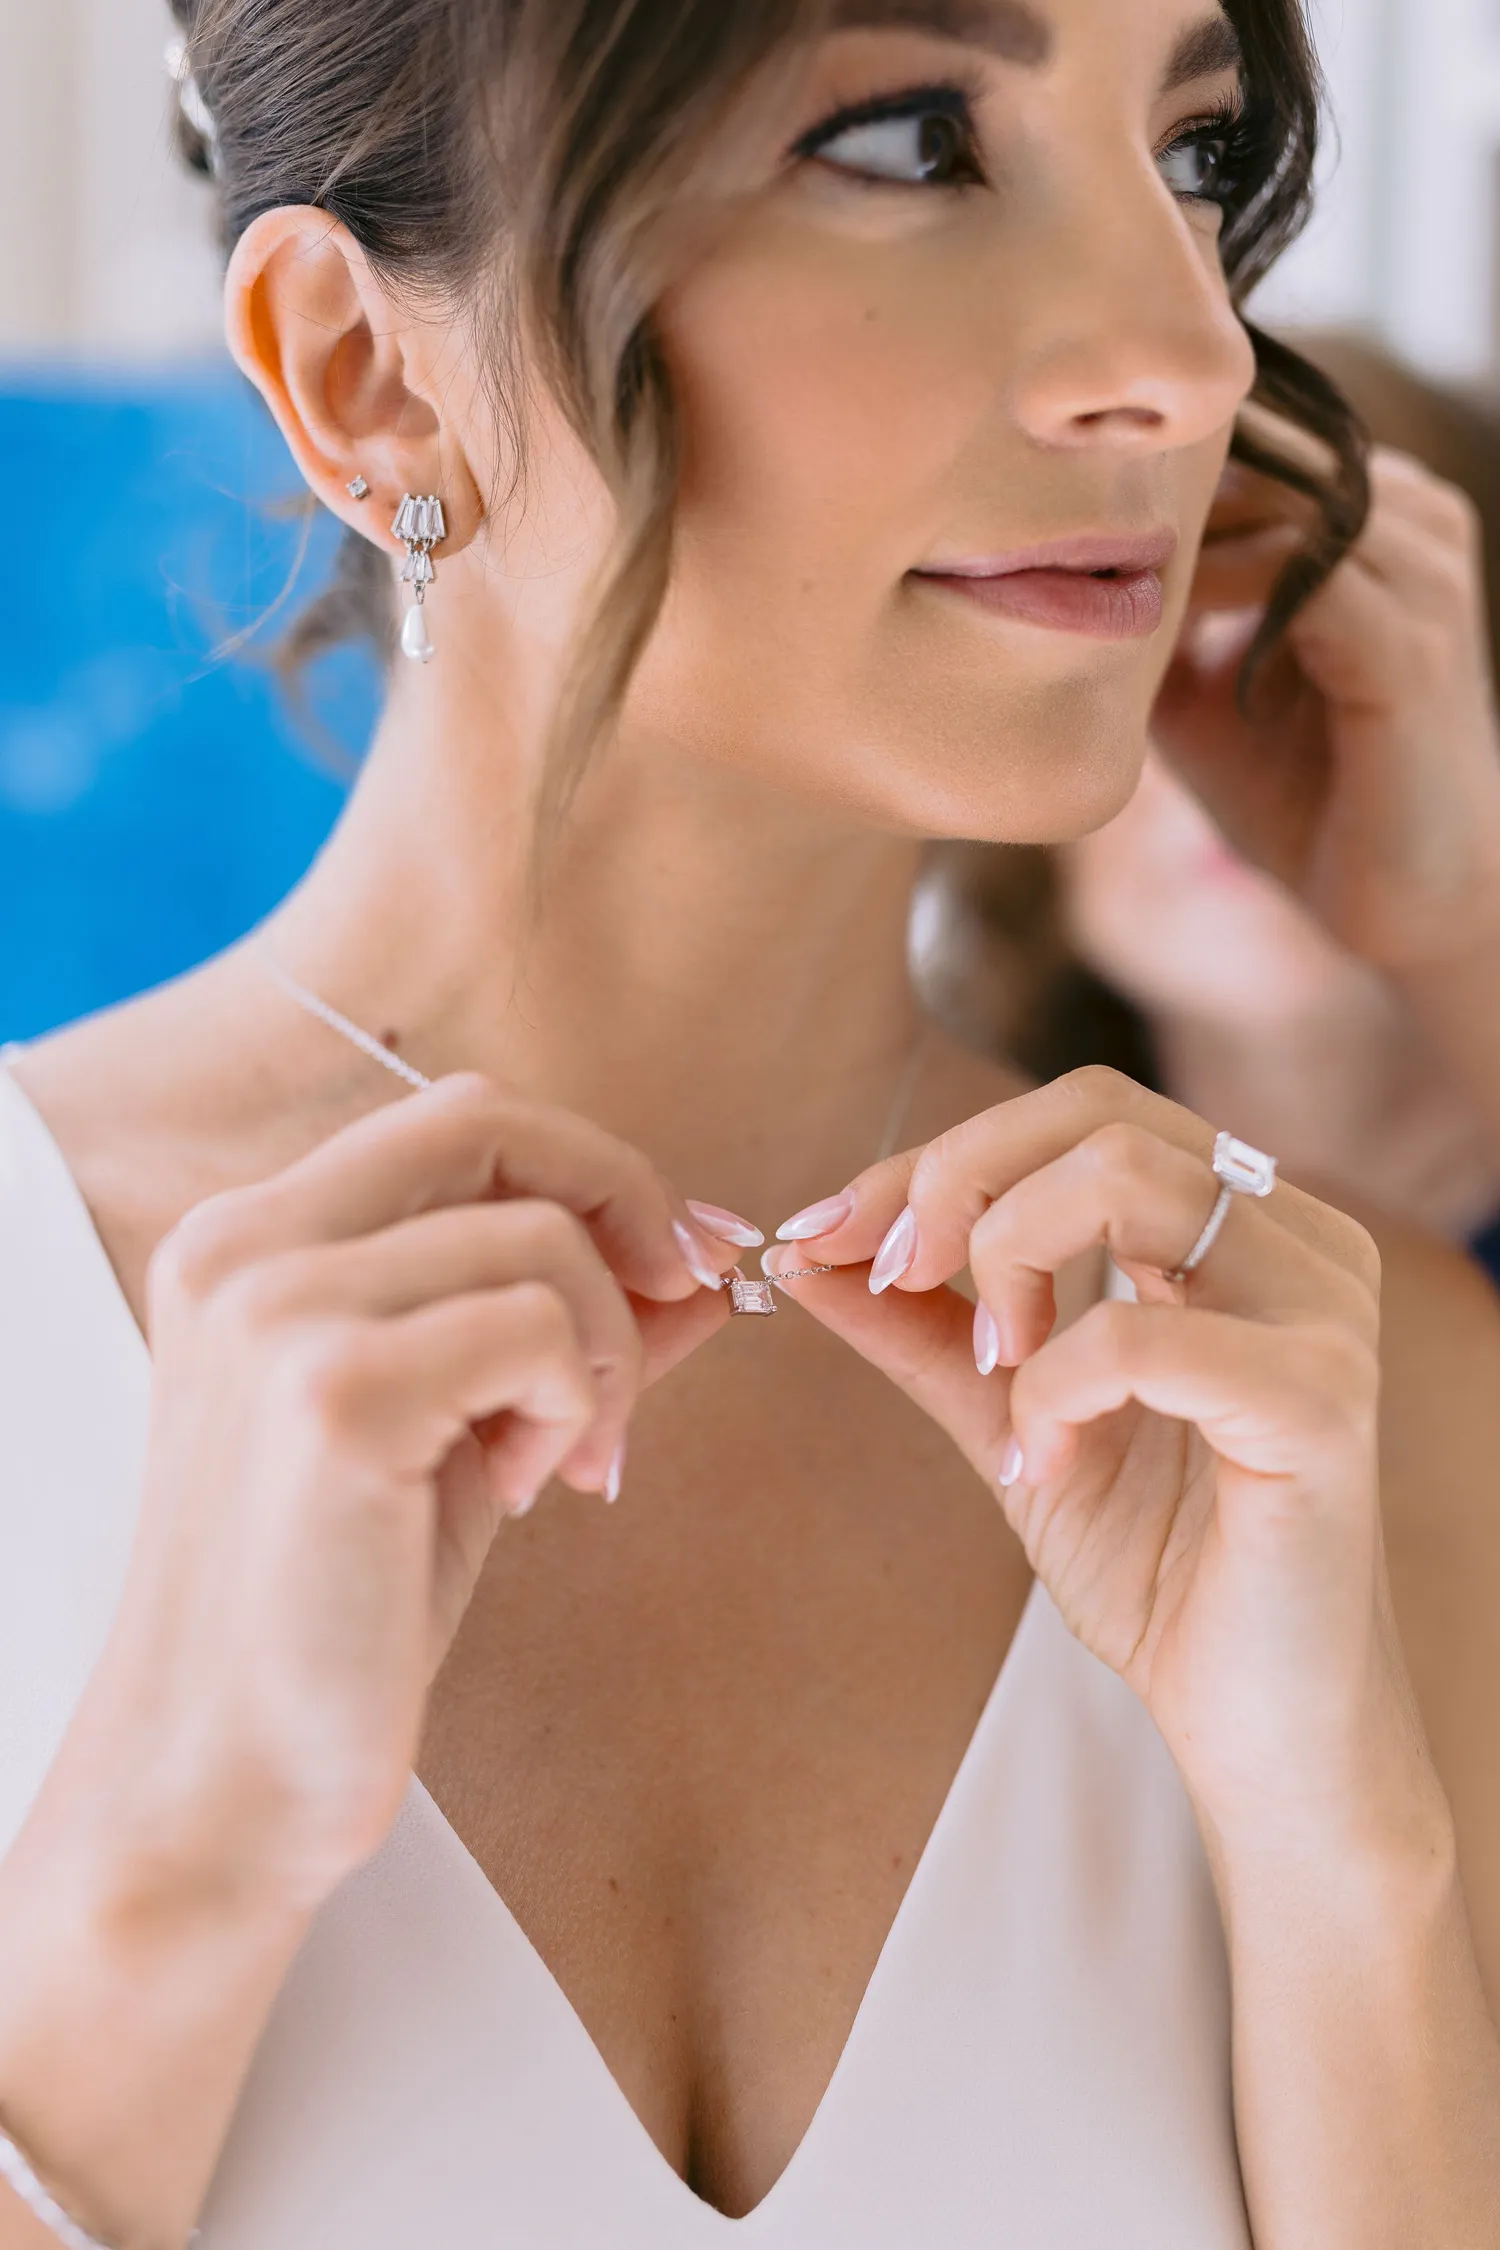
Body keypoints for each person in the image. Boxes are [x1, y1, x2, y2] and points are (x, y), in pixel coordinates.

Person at [1, 5, 1498, 2248]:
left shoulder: (1338, 1407)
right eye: (910, 140)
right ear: (364, 373)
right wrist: (176, 1854)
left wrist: (1349, 1865)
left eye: (1193, 155)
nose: (1181, 358)